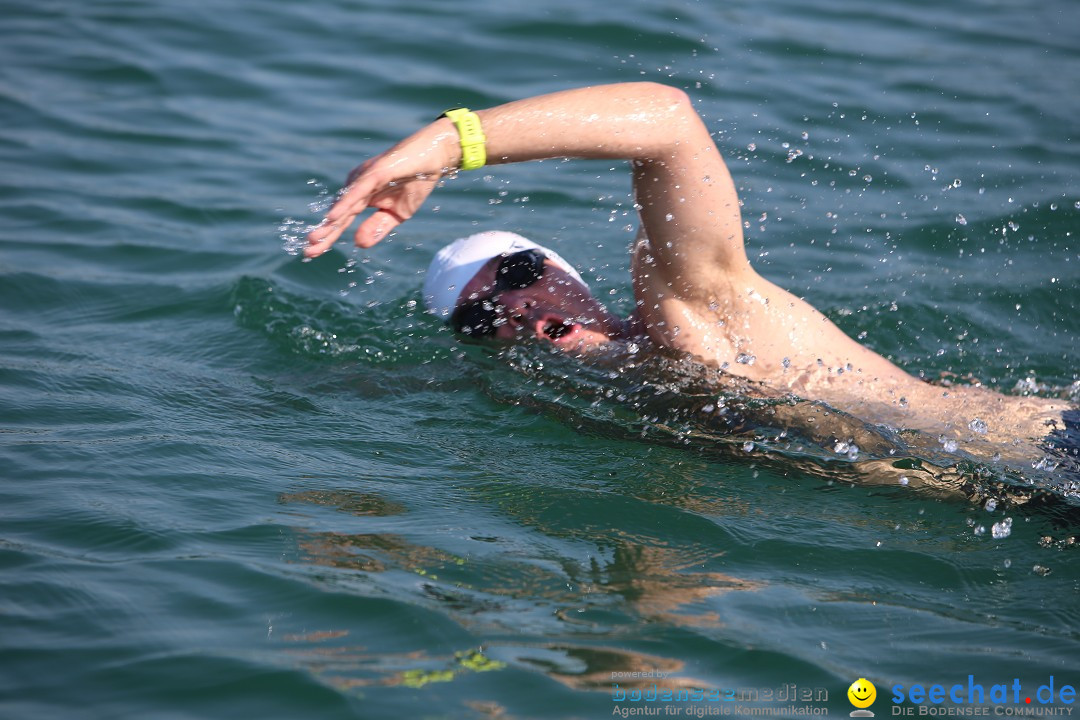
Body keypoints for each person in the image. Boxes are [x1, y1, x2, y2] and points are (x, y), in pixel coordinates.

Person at [305, 82, 1070, 458]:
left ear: (565, 274)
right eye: (479, 317)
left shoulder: (683, 304)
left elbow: (667, 124)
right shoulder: (595, 400)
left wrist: (447, 143)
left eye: (517, 273)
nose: (513, 307)